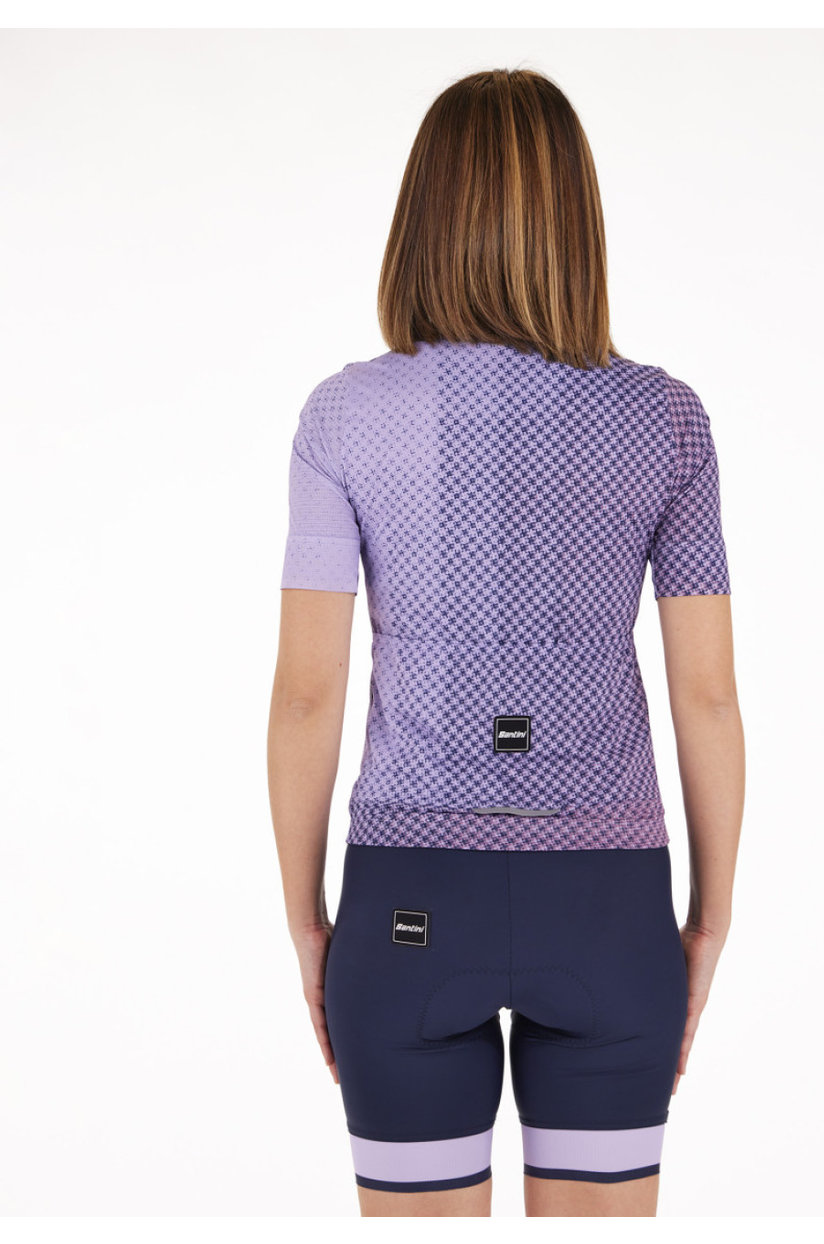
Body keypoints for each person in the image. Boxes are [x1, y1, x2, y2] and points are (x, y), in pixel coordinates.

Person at [267, 66, 745, 1219]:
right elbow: (708, 696)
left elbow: (306, 695)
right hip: (611, 903)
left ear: (422, 218)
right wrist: (707, 919)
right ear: (575, 221)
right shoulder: (666, 420)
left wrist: (308, 919)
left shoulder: (342, 417)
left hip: (406, 898)